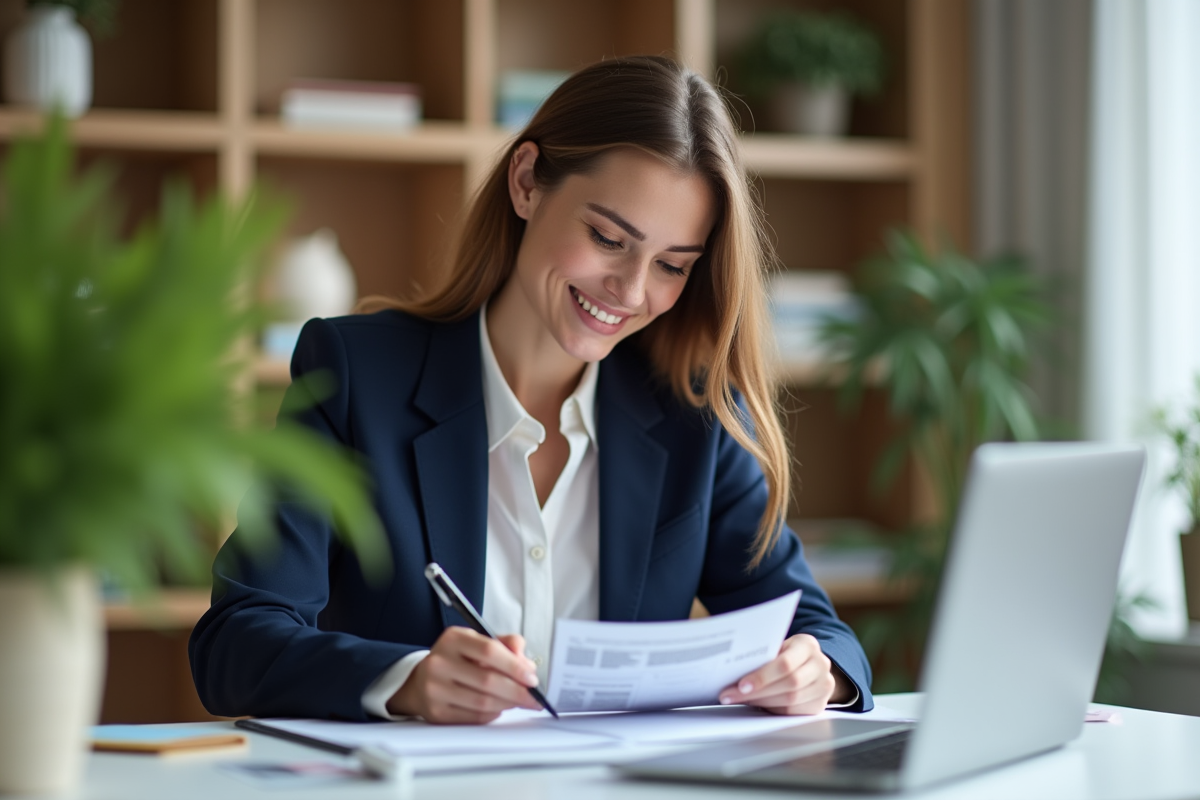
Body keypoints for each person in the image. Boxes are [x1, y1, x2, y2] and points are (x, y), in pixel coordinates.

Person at [189, 55, 873, 724]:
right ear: (525, 182)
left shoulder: (695, 414)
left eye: (671, 265)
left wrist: (818, 670)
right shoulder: (356, 376)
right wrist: (408, 681)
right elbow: (237, 642)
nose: (631, 292)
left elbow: (818, 629)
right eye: (608, 237)